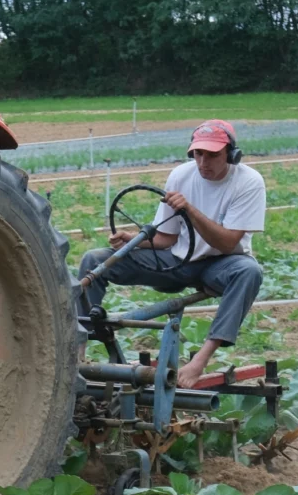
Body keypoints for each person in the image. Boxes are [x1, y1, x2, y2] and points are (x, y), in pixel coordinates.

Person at [78, 120, 266, 388]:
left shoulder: (248, 182)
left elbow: (227, 243)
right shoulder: (181, 175)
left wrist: (190, 209)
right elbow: (168, 237)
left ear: (231, 154)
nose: (203, 162)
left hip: (222, 265)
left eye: (212, 155)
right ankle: (77, 353)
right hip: (178, 261)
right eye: (198, 154)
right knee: (94, 260)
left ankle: (200, 360)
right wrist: (134, 240)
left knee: (250, 271)